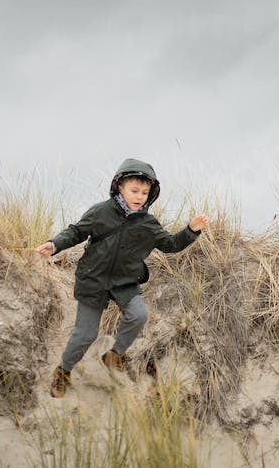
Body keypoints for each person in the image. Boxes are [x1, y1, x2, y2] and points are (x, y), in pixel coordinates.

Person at [35, 158, 209, 397]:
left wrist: (191, 230)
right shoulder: (101, 212)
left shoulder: (147, 224)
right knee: (85, 335)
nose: (139, 196)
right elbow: (76, 231)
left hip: (124, 281)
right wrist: (54, 244)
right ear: (120, 187)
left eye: (145, 192)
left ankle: (114, 355)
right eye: (134, 190)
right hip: (93, 279)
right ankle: (63, 371)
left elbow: (170, 244)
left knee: (139, 315)